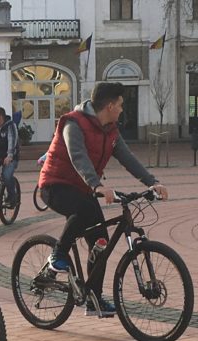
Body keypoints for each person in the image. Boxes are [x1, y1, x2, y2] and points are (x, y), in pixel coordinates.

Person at [38, 82, 168, 314]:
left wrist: (152, 182)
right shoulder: (73, 123)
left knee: (101, 242)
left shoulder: (111, 131)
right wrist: (97, 185)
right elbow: (78, 157)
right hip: (55, 185)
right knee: (81, 211)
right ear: (109, 105)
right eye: (120, 105)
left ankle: (93, 298)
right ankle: (57, 255)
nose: (121, 110)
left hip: (84, 189)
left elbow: (128, 158)